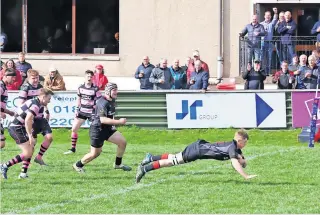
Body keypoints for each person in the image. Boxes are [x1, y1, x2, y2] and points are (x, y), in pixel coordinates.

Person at [136, 129, 257, 183]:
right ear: (241, 140)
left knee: (175, 157)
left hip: (199, 147)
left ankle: (150, 157)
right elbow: (235, 163)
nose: (245, 145)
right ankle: (145, 169)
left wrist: (242, 160)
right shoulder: (232, 148)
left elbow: (243, 163)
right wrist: (245, 176)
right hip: (197, 151)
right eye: (245, 142)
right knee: (172, 161)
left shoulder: (236, 148)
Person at [73, 83, 132, 173]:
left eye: (117, 89)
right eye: (114, 90)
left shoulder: (111, 100)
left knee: (122, 142)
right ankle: (78, 165)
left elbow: (109, 117)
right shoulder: (102, 102)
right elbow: (103, 119)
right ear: (108, 91)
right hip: (97, 130)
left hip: (107, 129)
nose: (117, 92)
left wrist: (114, 124)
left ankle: (118, 164)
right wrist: (119, 122)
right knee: (95, 153)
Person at [0, 88, 54, 179]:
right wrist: (30, 135)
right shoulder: (35, 105)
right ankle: (4, 165)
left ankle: (23, 174)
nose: (49, 101)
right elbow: (28, 120)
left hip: (18, 127)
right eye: (49, 99)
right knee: (27, 153)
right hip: (16, 128)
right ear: (43, 97)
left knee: (31, 149)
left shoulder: (35, 102)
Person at [18, 69, 52, 166]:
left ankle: (39, 157)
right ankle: (24, 169)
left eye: (37, 78)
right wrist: (29, 115)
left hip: (40, 118)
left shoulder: (41, 87)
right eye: (33, 78)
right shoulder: (25, 88)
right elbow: (21, 105)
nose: (36, 80)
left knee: (49, 137)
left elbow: (44, 100)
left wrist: (46, 110)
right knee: (32, 143)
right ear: (28, 78)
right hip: (31, 118)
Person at [64, 70, 101, 154]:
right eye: (88, 76)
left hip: (92, 112)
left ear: (93, 78)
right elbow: (79, 99)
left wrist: (96, 109)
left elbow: (99, 100)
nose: (89, 78)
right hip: (82, 111)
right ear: (85, 77)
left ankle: (97, 147)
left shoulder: (95, 88)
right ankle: (73, 149)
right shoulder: (80, 88)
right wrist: (77, 109)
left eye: (91, 77)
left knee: (96, 130)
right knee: (74, 129)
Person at [0, 68, 17, 149]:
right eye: (12, 77)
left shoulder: (3, 87)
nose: (14, 79)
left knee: (2, 143)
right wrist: (7, 112)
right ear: (6, 76)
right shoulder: (1, 86)